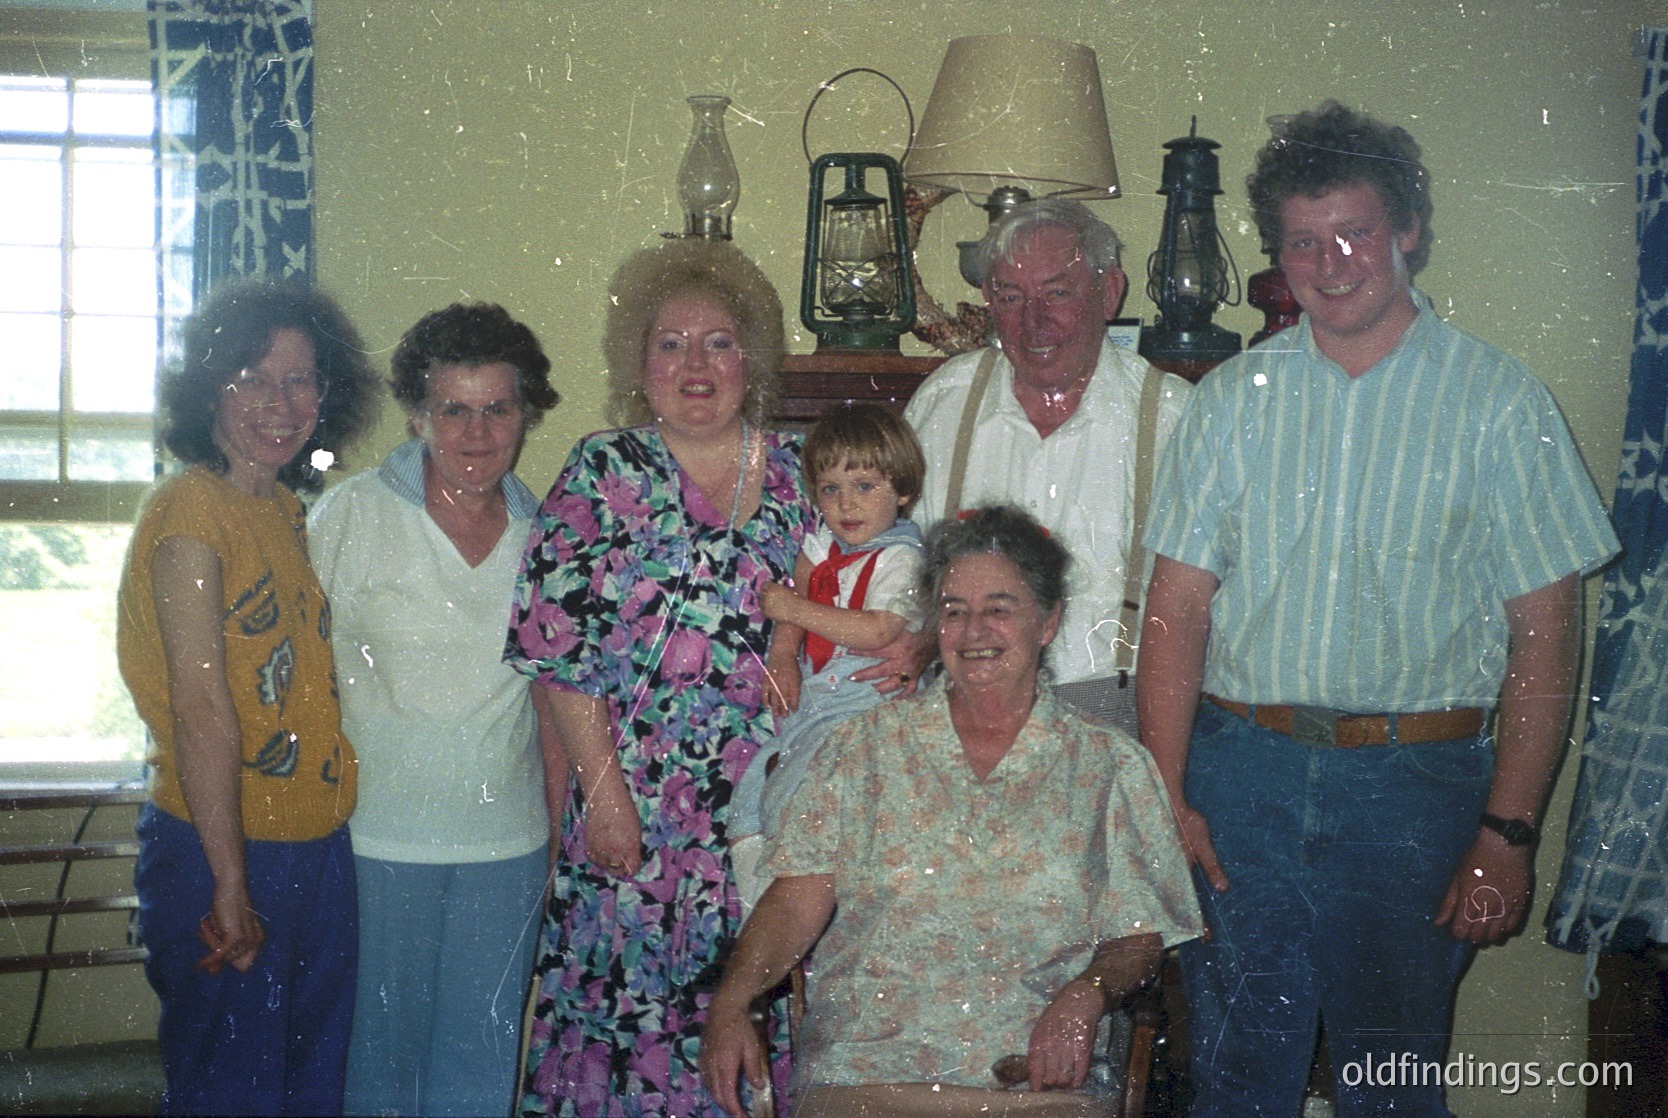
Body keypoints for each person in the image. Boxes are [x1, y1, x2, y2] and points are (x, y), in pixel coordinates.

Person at [1138, 100, 1622, 1116]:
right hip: (1244, 785)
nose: (1331, 260)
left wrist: (1509, 831)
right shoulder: (1231, 401)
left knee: (1392, 1087)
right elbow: (1176, 611)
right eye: (1303, 240)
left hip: (1417, 791)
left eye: (1353, 230)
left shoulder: (1500, 403)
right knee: (1233, 1082)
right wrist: (1165, 796)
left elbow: (1547, 634)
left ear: (1407, 227)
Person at [701, 506, 1203, 1118]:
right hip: (865, 1079)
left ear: (1049, 622)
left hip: (1035, 1089)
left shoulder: (1110, 766)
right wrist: (731, 1002)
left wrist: (1087, 994)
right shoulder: (863, 749)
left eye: (999, 608)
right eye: (953, 610)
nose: (973, 631)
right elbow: (795, 899)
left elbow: (1138, 936)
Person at [506, 239, 813, 1117]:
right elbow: (558, 653)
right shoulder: (602, 471)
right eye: (670, 343)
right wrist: (604, 798)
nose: (695, 364)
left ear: (750, 358)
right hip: (633, 811)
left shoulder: (798, 477)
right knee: (627, 1044)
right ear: (639, 365)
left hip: (760, 811)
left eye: (718, 341)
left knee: (746, 1028)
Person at [117, 278, 378, 1115]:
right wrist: (230, 883)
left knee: (308, 1086)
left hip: (315, 841)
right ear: (209, 388)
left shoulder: (282, 510)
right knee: (228, 1092)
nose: (280, 401)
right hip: (220, 843)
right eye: (252, 377)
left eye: (301, 380)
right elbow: (201, 712)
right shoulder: (190, 513)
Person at [307, 302, 561, 1117]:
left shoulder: (548, 535)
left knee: (479, 1067)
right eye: (453, 408)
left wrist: (556, 834)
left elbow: (555, 700)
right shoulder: (350, 517)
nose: (476, 431)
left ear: (525, 416)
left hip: (508, 845)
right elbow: (301, 680)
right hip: (375, 841)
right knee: (378, 1067)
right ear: (417, 414)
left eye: (498, 408)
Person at [895, 198, 1191, 734]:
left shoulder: (1174, 418)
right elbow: (894, 565)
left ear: (1109, 292)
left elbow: (1197, 618)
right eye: (1011, 297)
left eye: (1057, 292)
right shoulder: (946, 402)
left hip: (1115, 716)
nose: (1034, 321)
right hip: (960, 709)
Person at [729, 402, 927, 906]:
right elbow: (797, 601)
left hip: (867, 696)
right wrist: (782, 657)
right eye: (830, 489)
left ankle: (799, 906)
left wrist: (793, 607)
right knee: (751, 797)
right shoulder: (823, 543)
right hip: (820, 695)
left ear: (902, 490)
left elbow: (880, 631)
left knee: (797, 799)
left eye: (865, 487)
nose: (846, 505)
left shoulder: (900, 557)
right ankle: (760, 911)